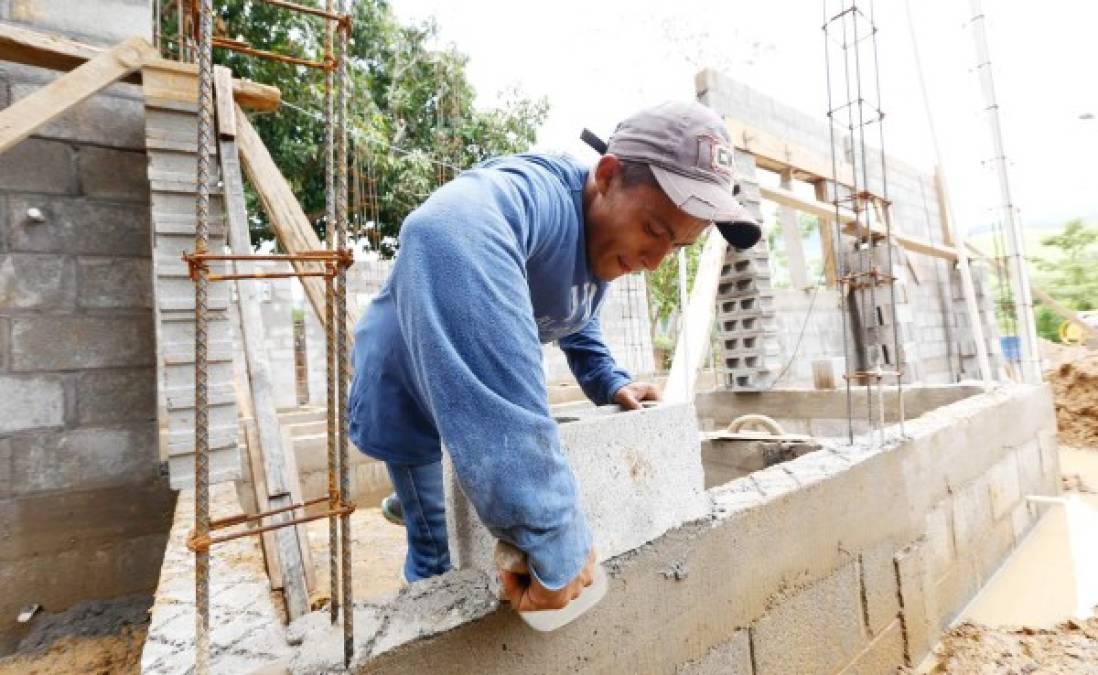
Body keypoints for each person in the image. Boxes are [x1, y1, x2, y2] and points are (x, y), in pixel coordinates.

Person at [347, 101, 761, 612]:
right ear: (607, 176)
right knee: (439, 551)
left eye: (675, 247)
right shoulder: (535, 197)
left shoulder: (603, 241)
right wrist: (550, 525)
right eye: (655, 230)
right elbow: (442, 229)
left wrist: (608, 380)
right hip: (405, 390)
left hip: (462, 398)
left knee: (466, 498)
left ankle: (411, 504)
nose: (654, 263)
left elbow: (574, 310)